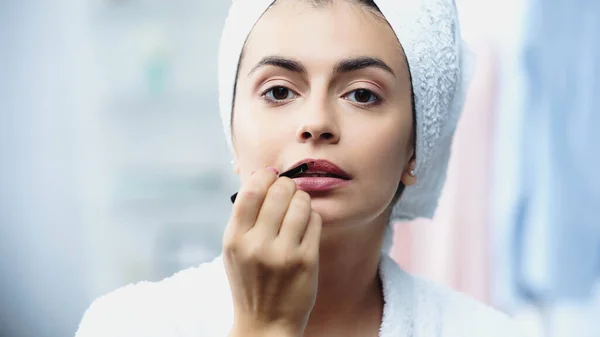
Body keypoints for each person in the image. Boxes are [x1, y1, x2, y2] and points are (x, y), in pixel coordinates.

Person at [75, 0, 522, 336]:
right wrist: (264, 326)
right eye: (279, 91)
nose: (316, 124)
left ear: (415, 147)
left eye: (363, 94)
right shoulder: (125, 325)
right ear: (232, 131)